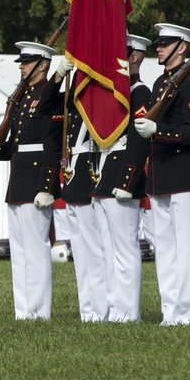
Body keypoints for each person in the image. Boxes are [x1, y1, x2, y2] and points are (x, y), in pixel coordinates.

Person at [0, 42, 62, 320]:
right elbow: (18, 143)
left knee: (36, 249)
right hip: (18, 179)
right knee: (19, 251)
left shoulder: (49, 96)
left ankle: (39, 312)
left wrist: (47, 185)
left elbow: (51, 146)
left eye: (26, 61)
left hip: (36, 179)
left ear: (42, 64)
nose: (21, 65)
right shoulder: (24, 96)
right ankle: (23, 311)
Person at [134, 23, 190, 326]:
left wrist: (158, 131)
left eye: (165, 44)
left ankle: (187, 313)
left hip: (184, 176)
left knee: (185, 247)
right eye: (158, 44)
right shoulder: (159, 84)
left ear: (182, 46)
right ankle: (170, 311)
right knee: (164, 248)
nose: (158, 49)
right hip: (161, 175)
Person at [91, 33, 151, 322]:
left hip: (122, 174)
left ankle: (128, 312)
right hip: (105, 173)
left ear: (135, 56)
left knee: (124, 249)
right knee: (108, 248)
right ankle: (115, 308)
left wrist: (127, 180)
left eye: (122, 52)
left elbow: (140, 140)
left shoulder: (140, 92)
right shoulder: (117, 90)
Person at [56, 57, 107, 322]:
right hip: (73, 168)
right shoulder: (73, 104)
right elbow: (48, 105)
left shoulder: (97, 100)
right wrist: (57, 77)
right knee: (80, 248)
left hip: (89, 165)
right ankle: (87, 309)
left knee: (93, 246)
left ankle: (100, 307)